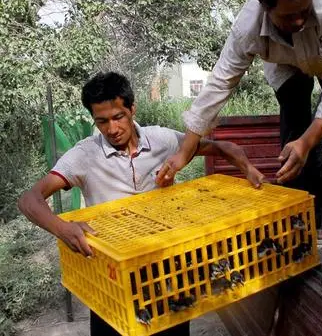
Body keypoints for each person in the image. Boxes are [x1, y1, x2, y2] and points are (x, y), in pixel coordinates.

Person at [18, 72, 265, 336]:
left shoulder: (162, 140)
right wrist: (62, 228)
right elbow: (29, 200)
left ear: (132, 109)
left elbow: (223, 147)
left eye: (118, 117)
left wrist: (248, 169)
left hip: (167, 271)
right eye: (101, 121)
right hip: (112, 282)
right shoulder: (84, 155)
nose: (112, 129)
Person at [156, 0, 322, 242]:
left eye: (303, 13)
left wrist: (308, 142)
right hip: (283, 64)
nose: (296, 22)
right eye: (286, 16)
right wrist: (185, 150)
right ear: (266, 7)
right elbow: (220, 83)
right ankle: (302, 208)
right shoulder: (248, 25)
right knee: (294, 123)